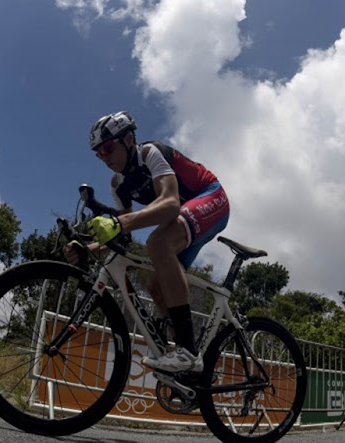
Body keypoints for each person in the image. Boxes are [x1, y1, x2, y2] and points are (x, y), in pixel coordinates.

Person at [64, 111, 230, 374]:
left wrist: (120, 223)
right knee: (155, 284)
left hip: (210, 197)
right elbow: (124, 237)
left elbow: (170, 204)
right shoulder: (118, 185)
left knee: (158, 243)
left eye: (108, 148)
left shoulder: (150, 153)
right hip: (187, 217)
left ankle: (186, 350)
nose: (105, 158)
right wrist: (92, 249)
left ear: (128, 139)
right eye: (99, 153)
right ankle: (186, 365)